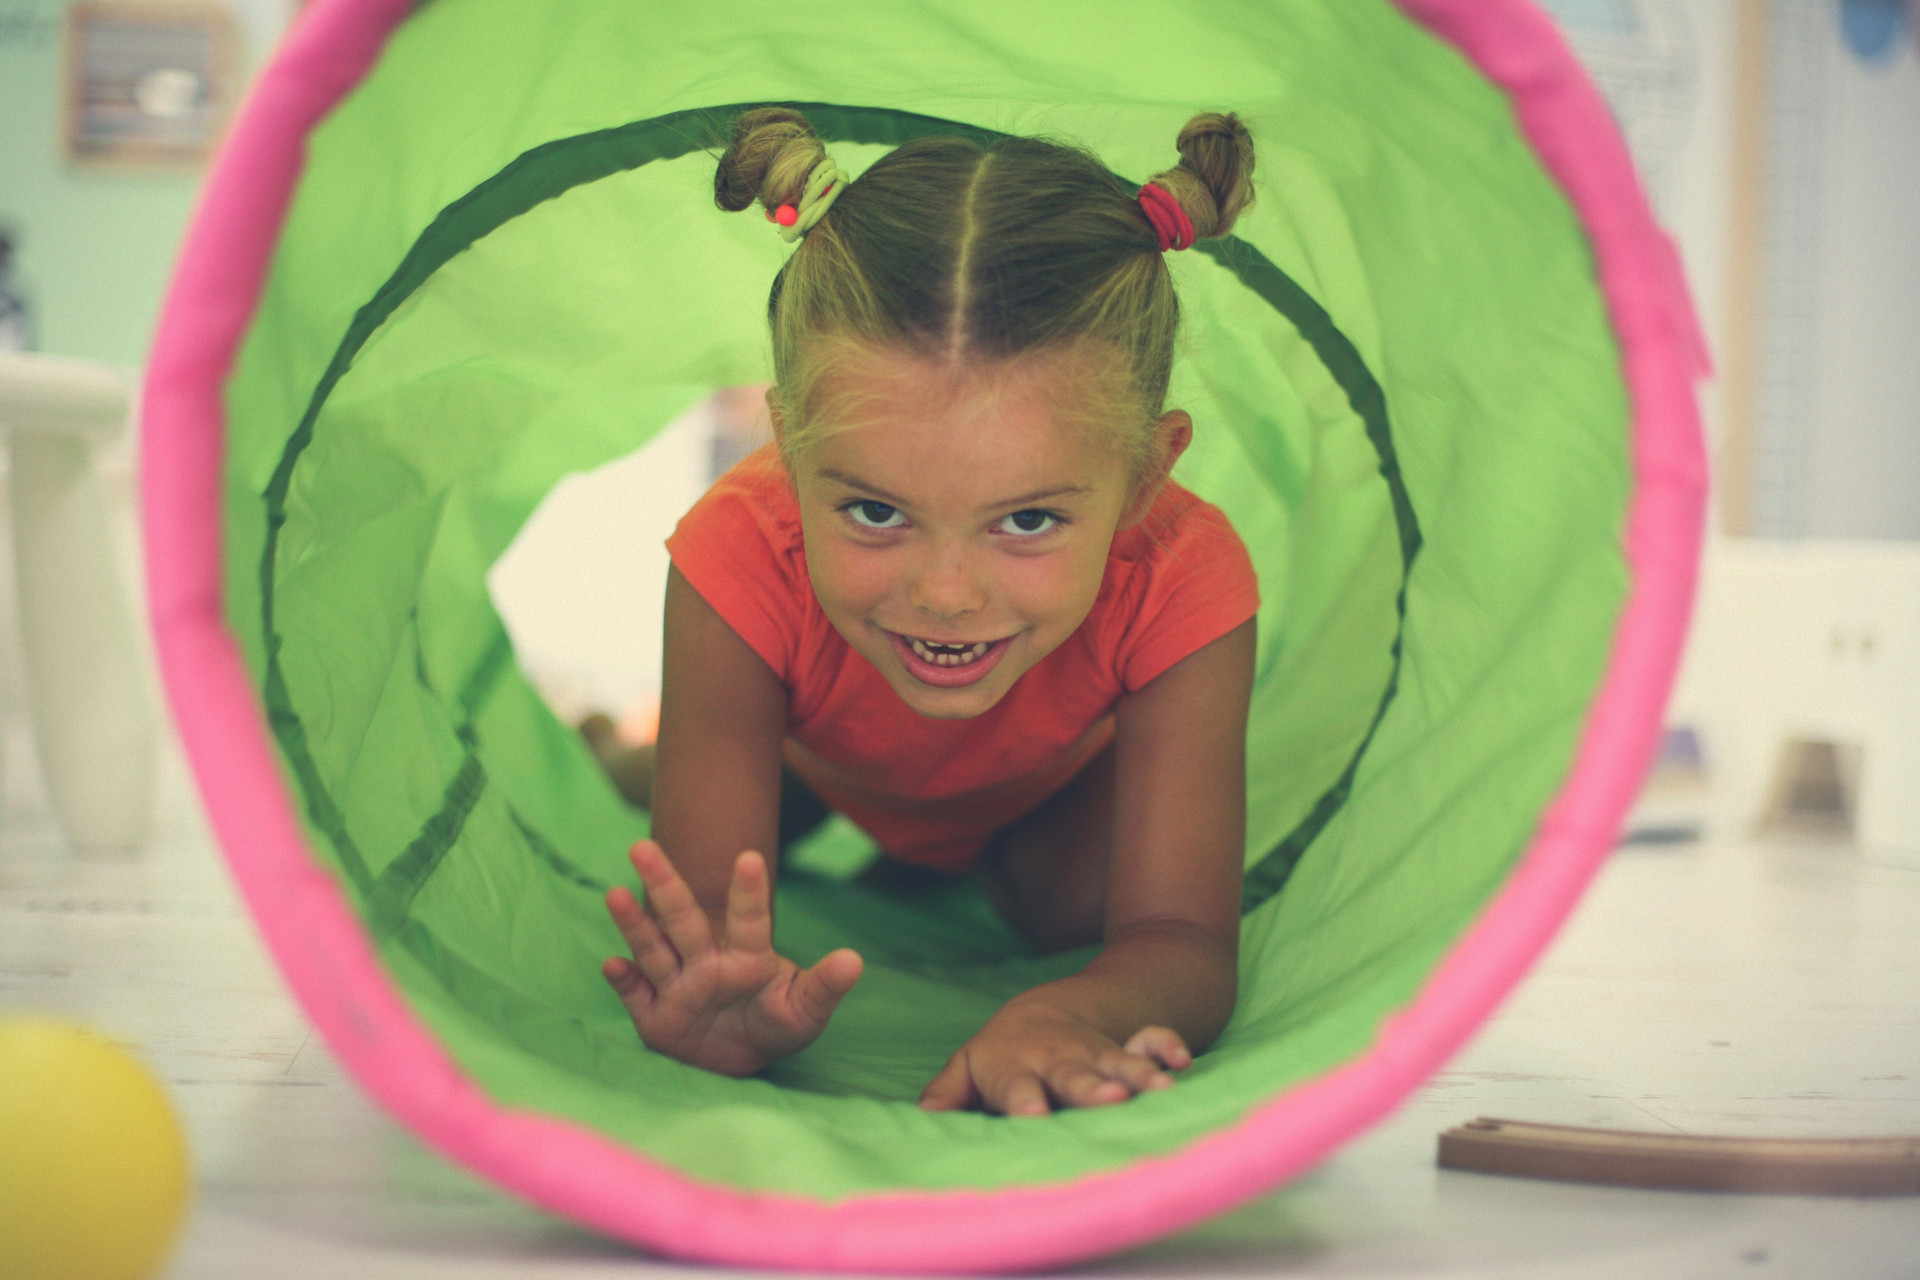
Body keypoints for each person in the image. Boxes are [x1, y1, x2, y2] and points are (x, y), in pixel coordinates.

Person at [593, 107, 1260, 1116]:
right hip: (811, 755)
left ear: (1142, 478)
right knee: (670, 796)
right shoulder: (740, 549)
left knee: (1079, 911)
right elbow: (712, 938)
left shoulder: (1185, 575)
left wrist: (1069, 1011)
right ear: (789, 448)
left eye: (1027, 519)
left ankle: (942, 866)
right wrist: (715, 1001)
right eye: (875, 511)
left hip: (1043, 788)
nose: (946, 594)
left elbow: (1185, 942)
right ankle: (615, 748)